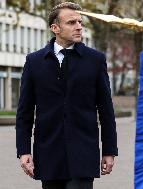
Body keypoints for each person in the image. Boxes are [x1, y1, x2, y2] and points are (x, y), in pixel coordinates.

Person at [16, 2, 118, 189]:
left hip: (83, 154)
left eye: (80, 22)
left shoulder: (95, 60)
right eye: (71, 22)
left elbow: (106, 110)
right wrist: (23, 151)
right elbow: (25, 112)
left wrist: (110, 151)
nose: (79, 26)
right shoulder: (34, 62)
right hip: (48, 154)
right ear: (55, 28)